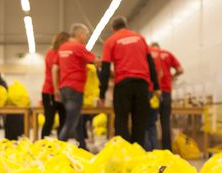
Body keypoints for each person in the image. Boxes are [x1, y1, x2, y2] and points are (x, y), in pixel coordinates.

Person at [99, 16, 160, 148]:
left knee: (121, 121)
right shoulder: (140, 38)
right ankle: (138, 156)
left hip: (123, 85)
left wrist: (102, 93)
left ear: (112, 29)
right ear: (126, 25)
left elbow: (105, 69)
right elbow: (151, 63)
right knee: (139, 122)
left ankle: (125, 155)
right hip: (142, 84)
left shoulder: (111, 41)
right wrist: (156, 86)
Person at [56, 23, 96, 149]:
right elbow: (94, 60)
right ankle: (58, 149)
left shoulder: (62, 48)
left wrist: (56, 88)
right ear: (80, 34)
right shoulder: (78, 47)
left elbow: (55, 68)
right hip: (75, 88)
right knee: (71, 122)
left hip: (64, 88)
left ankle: (82, 146)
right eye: (86, 35)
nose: (86, 38)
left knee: (76, 118)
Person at [149, 42, 183, 150]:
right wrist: (172, 76)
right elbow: (180, 69)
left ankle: (152, 150)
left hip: (153, 91)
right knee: (165, 122)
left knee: (151, 121)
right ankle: (167, 150)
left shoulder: (149, 53)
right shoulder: (167, 54)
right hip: (166, 91)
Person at [41, 31, 69, 139]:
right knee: (49, 120)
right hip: (50, 91)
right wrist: (56, 89)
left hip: (62, 91)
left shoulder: (63, 54)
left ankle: (61, 145)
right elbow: (55, 70)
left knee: (63, 120)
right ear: (61, 41)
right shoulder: (51, 53)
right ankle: (43, 145)